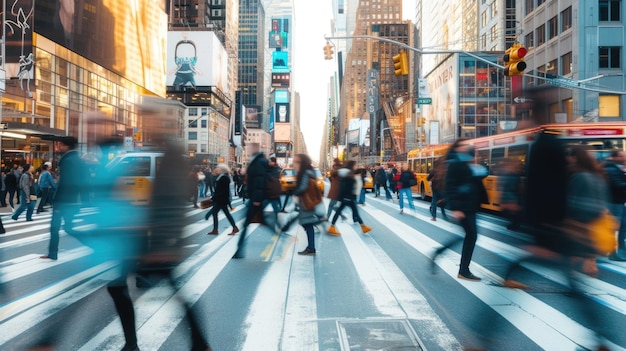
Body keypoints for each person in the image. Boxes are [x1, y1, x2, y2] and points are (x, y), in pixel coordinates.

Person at [431, 140, 488, 281]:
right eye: (463, 145)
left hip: (471, 205)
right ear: (457, 148)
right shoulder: (454, 163)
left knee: (468, 236)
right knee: (471, 236)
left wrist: (477, 162)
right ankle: (463, 270)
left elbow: (482, 175)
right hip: (463, 206)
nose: (467, 146)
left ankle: (441, 253)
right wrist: (455, 208)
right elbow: (451, 186)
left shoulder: (468, 162)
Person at [41, 136, 85, 261]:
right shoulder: (78, 159)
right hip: (72, 200)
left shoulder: (68, 160)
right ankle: (52, 253)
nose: (58, 147)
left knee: (57, 228)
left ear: (66, 146)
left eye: (60, 144)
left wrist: (58, 200)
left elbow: (66, 182)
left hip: (63, 201)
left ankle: (53, 253)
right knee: (66, 227)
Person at [233, 143, 270, 258]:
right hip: (254, 197)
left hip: (256, 198)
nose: (248, 149)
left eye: (250, 148)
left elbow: (259, 180)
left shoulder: (258, 162)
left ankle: (239, 250)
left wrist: (257, 199)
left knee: (247, 223)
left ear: (255, 149)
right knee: (261, 222)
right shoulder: (257, 160)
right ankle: (239, 250)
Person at [327, 160, 372, 236]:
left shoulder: (348, 174)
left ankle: (363, 227)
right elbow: (346, 187)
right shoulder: (349, 174)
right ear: (351, 166)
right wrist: (348, 196)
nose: (355, 166)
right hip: (348, 197)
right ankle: (363, 227)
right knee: (352, 212)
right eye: (355, 165)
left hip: (347, 197)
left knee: (342, 212)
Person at [292, 154, 321, 255]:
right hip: (307, 201)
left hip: (306, 202)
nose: (294, 164)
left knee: (307, 224)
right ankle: (311, 247)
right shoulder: (308, 172)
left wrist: (294, 192)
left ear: (302, 163)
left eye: (296, 162)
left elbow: (303, 187)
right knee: (307, 224)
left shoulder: (305, 173)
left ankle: (311, 248)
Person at [603, 150, 626, 261]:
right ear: (613, 157)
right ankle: (613, 252)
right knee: (615, 228)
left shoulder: (616, 168)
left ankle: (620, 250)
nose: (624, 157)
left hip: (618, 202)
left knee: (622, 227)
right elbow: (618, 184)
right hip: (614, 202)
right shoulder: (611, 169)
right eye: (621, 156)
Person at [205, 164, 239, 235]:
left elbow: (223, 191)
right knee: (224, 213)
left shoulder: (224, 178)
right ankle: (232, 228)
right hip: (221, 199)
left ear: (221, 170)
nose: (216, 169)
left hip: (221, 200)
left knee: (215, 213)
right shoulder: (221, 177)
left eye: (218, 168)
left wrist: (213, 198)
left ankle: (216, 229)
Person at [497, 158, 523, 230]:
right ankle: (515, 224)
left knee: (513, 211)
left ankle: (515, 225)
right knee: (513, 211)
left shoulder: (510, 175)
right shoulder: (515, 174)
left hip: (511, 196)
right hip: (513, 196)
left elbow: (507, 186)